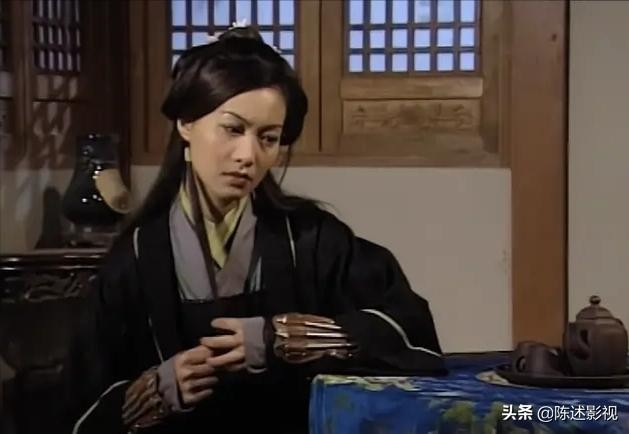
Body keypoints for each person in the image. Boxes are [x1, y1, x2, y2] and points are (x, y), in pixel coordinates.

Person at [64, 25, 445, 434]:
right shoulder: (134, 260)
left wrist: (286, 339)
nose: (248, 155)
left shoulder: (312, 240)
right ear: (186, 123)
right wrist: (155, 391)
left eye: (268, 138)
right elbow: (78, 408)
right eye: (232, 129)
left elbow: (412, 331)